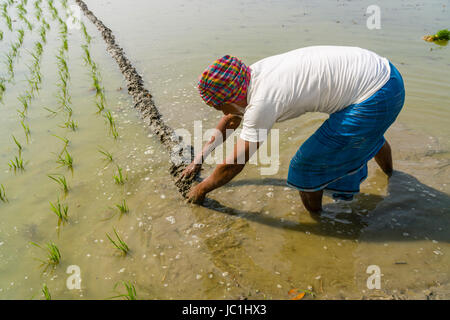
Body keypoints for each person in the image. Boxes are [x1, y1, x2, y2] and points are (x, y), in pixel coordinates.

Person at [180, 46, 405, 214]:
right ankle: (393, 178)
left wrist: (200, 190)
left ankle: (316, 223)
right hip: (386, 75)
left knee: (305, 167)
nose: (221, 112)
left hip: (375, 96)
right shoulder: (251, 74)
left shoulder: (262, 102)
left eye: (218, 105)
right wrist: (199, 159)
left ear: (232, 96)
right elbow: (231, 119)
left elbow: (233, 164)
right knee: (368, 134)